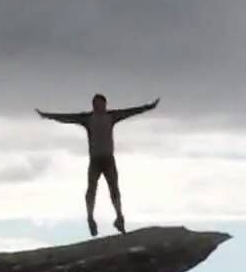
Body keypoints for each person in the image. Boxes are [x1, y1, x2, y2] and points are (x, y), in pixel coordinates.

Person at [36, 93, 158, 236]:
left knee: (114, 190)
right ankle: (90, 218)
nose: (97, 107)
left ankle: (119, 218)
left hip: (108, 159)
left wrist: (148, 107)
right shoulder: (88, 118)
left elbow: (130, 112)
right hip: (95, 160)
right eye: (95, 104)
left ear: (105, 104)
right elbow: (67, 118)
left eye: (100, 104)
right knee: (91, 189)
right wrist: (47, 115)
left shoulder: (111, 116)